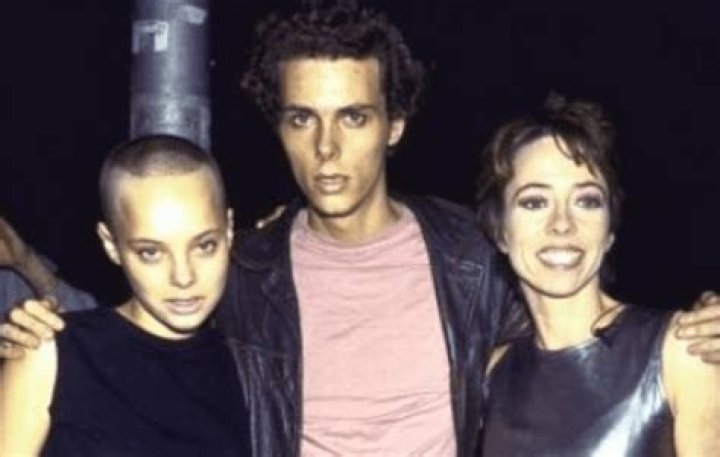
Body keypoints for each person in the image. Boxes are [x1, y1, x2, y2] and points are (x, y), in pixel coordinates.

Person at [3, 2, 720, 456]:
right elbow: (144, 333)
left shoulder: (475, 255)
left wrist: (700, 325)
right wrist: (44, 312)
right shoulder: (241, 267)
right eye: (302, 119)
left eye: (353, 117)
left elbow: (581, 330)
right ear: (278, 128)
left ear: (394, 124)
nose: (326, 148)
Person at [477, 95, 720, 456]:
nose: (562, 224)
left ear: (609, 232)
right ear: (500, 231)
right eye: (534, 202)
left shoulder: (681, 348)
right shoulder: (492, 375)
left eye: (587, 201)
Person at [0, 136, 251, 455]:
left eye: (204, 246)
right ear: (111, 245)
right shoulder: (51, 351)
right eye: (151, 252)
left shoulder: (249, 368)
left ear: (228, 230)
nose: (183, 277)